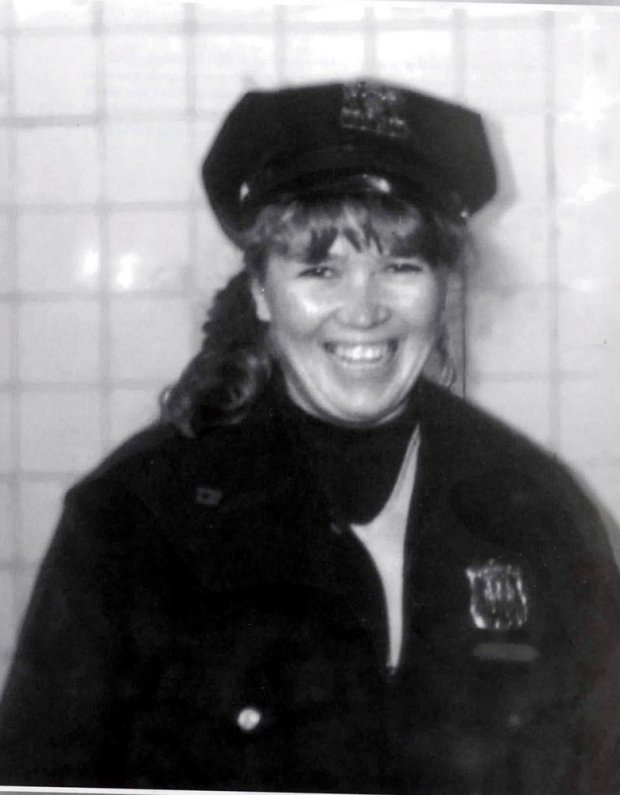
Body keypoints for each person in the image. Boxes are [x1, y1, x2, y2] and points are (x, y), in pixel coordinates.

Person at [0, 79, 619, 795]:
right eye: (321, 270)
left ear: (444, 288)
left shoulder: (538, 507)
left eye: (401, 266)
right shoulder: (136, 517)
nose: (364, 310)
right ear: (261, 292)